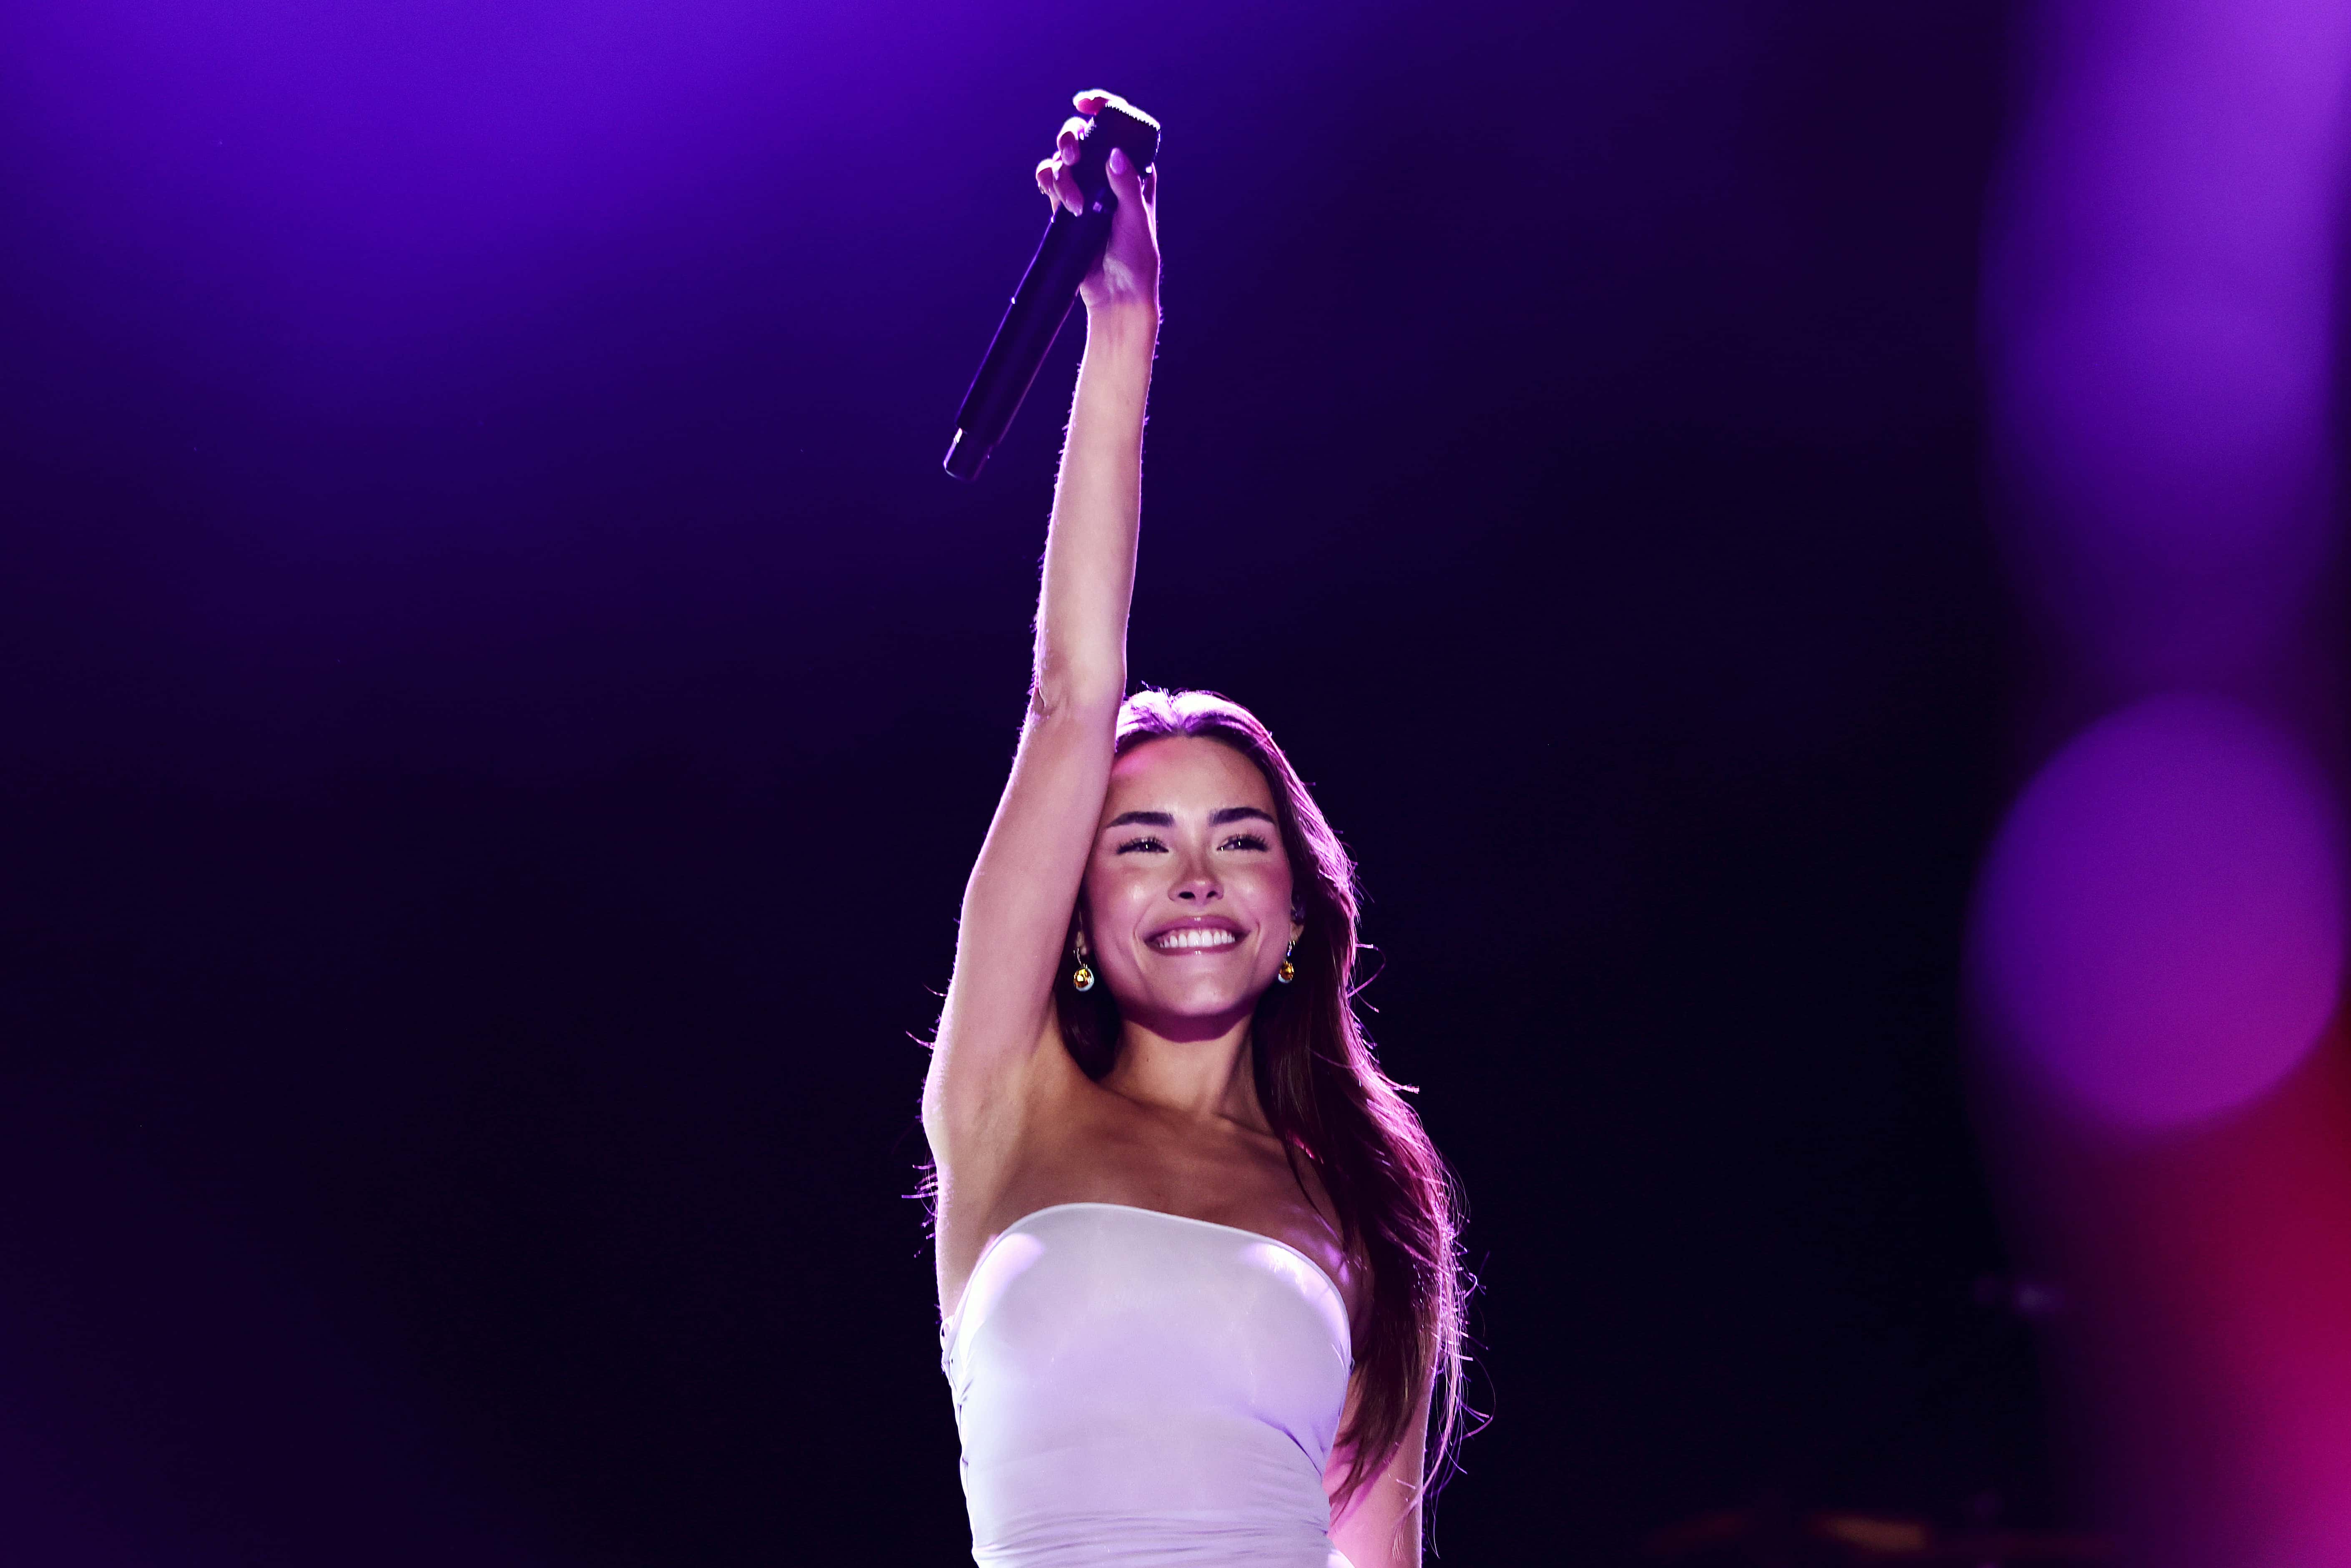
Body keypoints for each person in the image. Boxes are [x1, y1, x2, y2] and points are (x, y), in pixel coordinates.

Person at [922, 91, 1468, 1568]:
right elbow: (1069, 696)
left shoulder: (1359, 1209)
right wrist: (1123, 328)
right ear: (1078, 917)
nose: (1196, 877)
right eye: (1140, 841)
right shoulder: (1004, 1110)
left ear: (1301, 911)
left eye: (1240, 838)